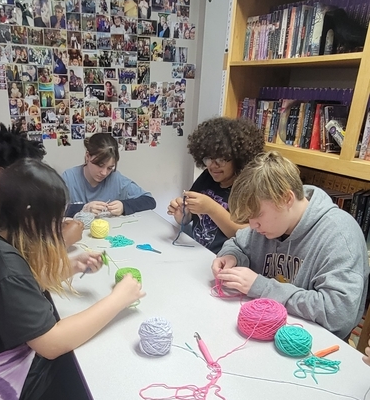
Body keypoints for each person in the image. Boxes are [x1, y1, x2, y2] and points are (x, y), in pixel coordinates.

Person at [0, 160, 143, 400]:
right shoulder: (1, 264)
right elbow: (51, 344)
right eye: (54, 219)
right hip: (2, 390)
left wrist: (68, 267)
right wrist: (118, 299)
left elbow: (10, 291)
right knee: (111, 378)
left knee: (94, 347)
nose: (58, 226)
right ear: (29, 216)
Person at [212, 151, 368, 340]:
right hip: (267, 330)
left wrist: (262, 287)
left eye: (257, 215)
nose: (252, 225)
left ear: (286, 199)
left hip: (312, 345)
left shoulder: (340, 236)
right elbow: (237, 242)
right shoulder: (269, 223)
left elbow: (338, 315)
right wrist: (231, 256)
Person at [168, 117, 264, 254]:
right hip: (197, 252)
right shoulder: (207, 177)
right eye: (208, 159)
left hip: (225, 261)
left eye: (221, 159)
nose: (213, 166)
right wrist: (183, 215)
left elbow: (248, 237)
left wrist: (212, 208)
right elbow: (191, 216)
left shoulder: (248, 188)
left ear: (237, 158)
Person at [62, 133, 156, 217]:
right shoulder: (69, 178)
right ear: (87, 156)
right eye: (100, 165)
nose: (104, 173)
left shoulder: (116, 179)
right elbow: (51, 209)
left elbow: (149, 201)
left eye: (110, 168)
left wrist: (124, 206)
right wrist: (82, 208)